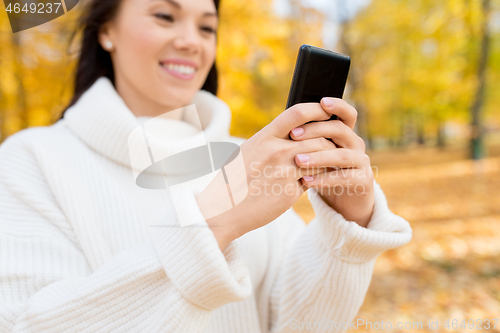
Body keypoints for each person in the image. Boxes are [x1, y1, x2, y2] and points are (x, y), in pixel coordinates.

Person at [0, 0, 412, 332]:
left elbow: (297, 324)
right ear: (106, 31)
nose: (191, 41)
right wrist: (212, 224)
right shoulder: (31, 159)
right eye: (165, 16)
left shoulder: (250, 157)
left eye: (206, 26)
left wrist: (347, 224)